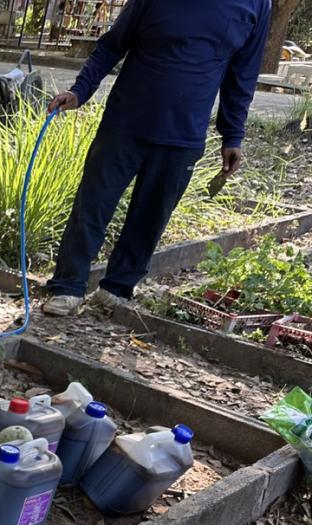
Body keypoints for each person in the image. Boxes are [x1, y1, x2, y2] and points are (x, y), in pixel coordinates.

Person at [41, 0, 272, 317]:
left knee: (151, 217)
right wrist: (80, 90)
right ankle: (67, 287)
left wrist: (233, 135)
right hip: (124, 124)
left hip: (184, 134)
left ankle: (116, 288)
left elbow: (242, 73)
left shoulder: (256, 5)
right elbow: (112, 45)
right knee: (92, 206)